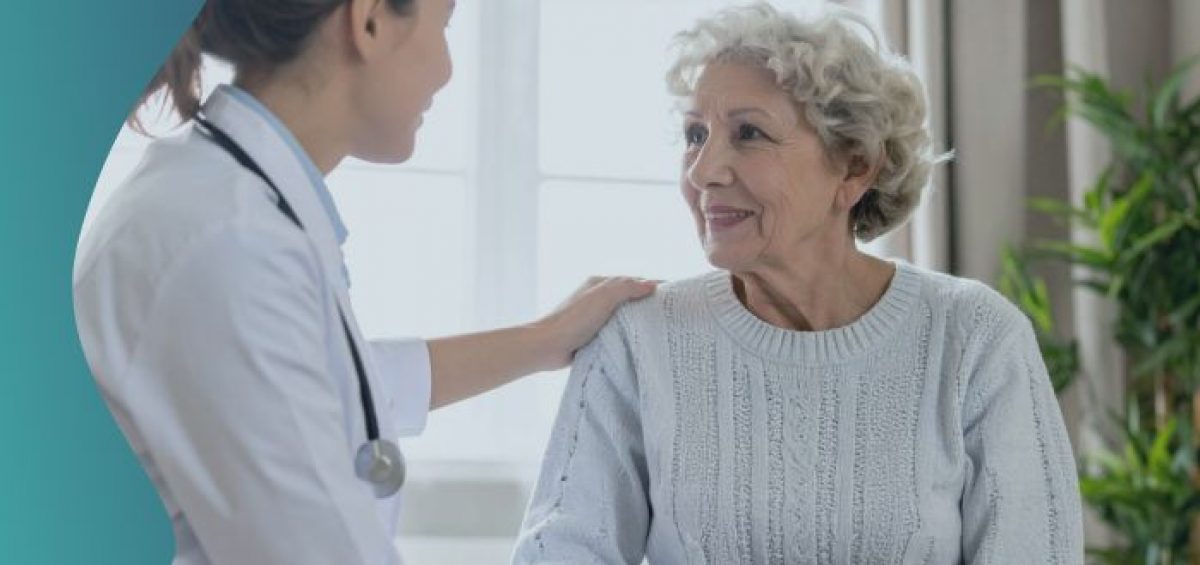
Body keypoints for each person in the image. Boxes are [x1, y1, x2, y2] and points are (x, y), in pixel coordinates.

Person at [72, 0, 655, 563]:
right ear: (369, 19)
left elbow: (332, 380)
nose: (449, 71)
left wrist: (544, 339)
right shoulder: (227, 242)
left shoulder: (220, 200)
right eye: (444, 21)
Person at [513, 3, 1083, 563]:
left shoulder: (975, 336)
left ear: (856, 165)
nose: (703, 171)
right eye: (694, 135)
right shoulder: (638, 339)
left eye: (749, 133)